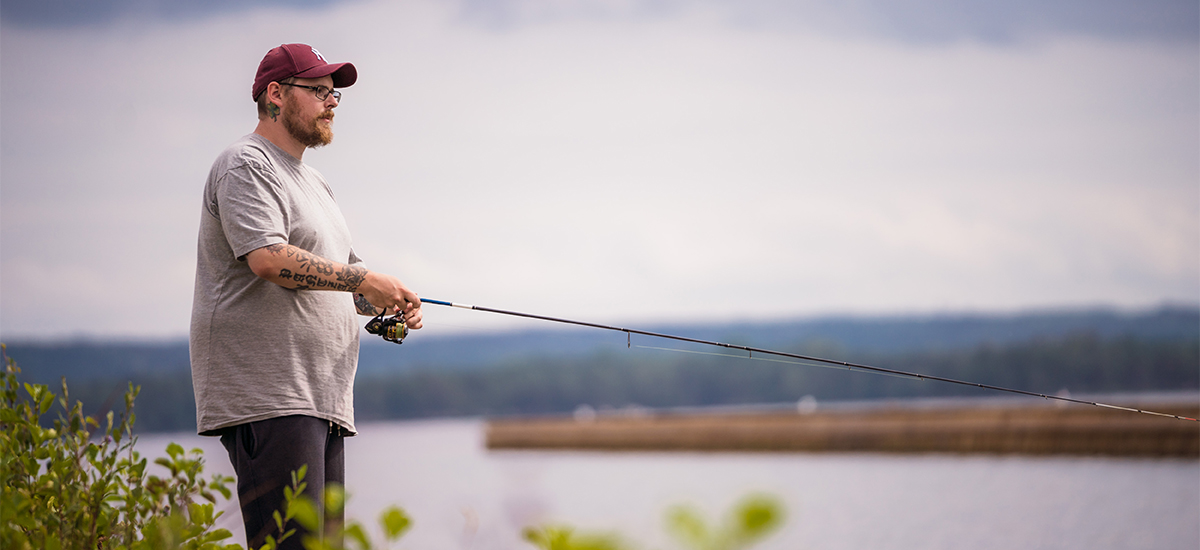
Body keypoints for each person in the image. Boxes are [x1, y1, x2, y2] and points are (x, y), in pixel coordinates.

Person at [189, 43, 422, 548]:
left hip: (322, 400)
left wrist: (384, 298)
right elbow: (269, 259)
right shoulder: (245, 164)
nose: (332, 101)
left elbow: (342, 276)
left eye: (333, 92)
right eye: (317, 90)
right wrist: (362, 282)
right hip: (272, 398)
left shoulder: (315, 182)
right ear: (275, 95)